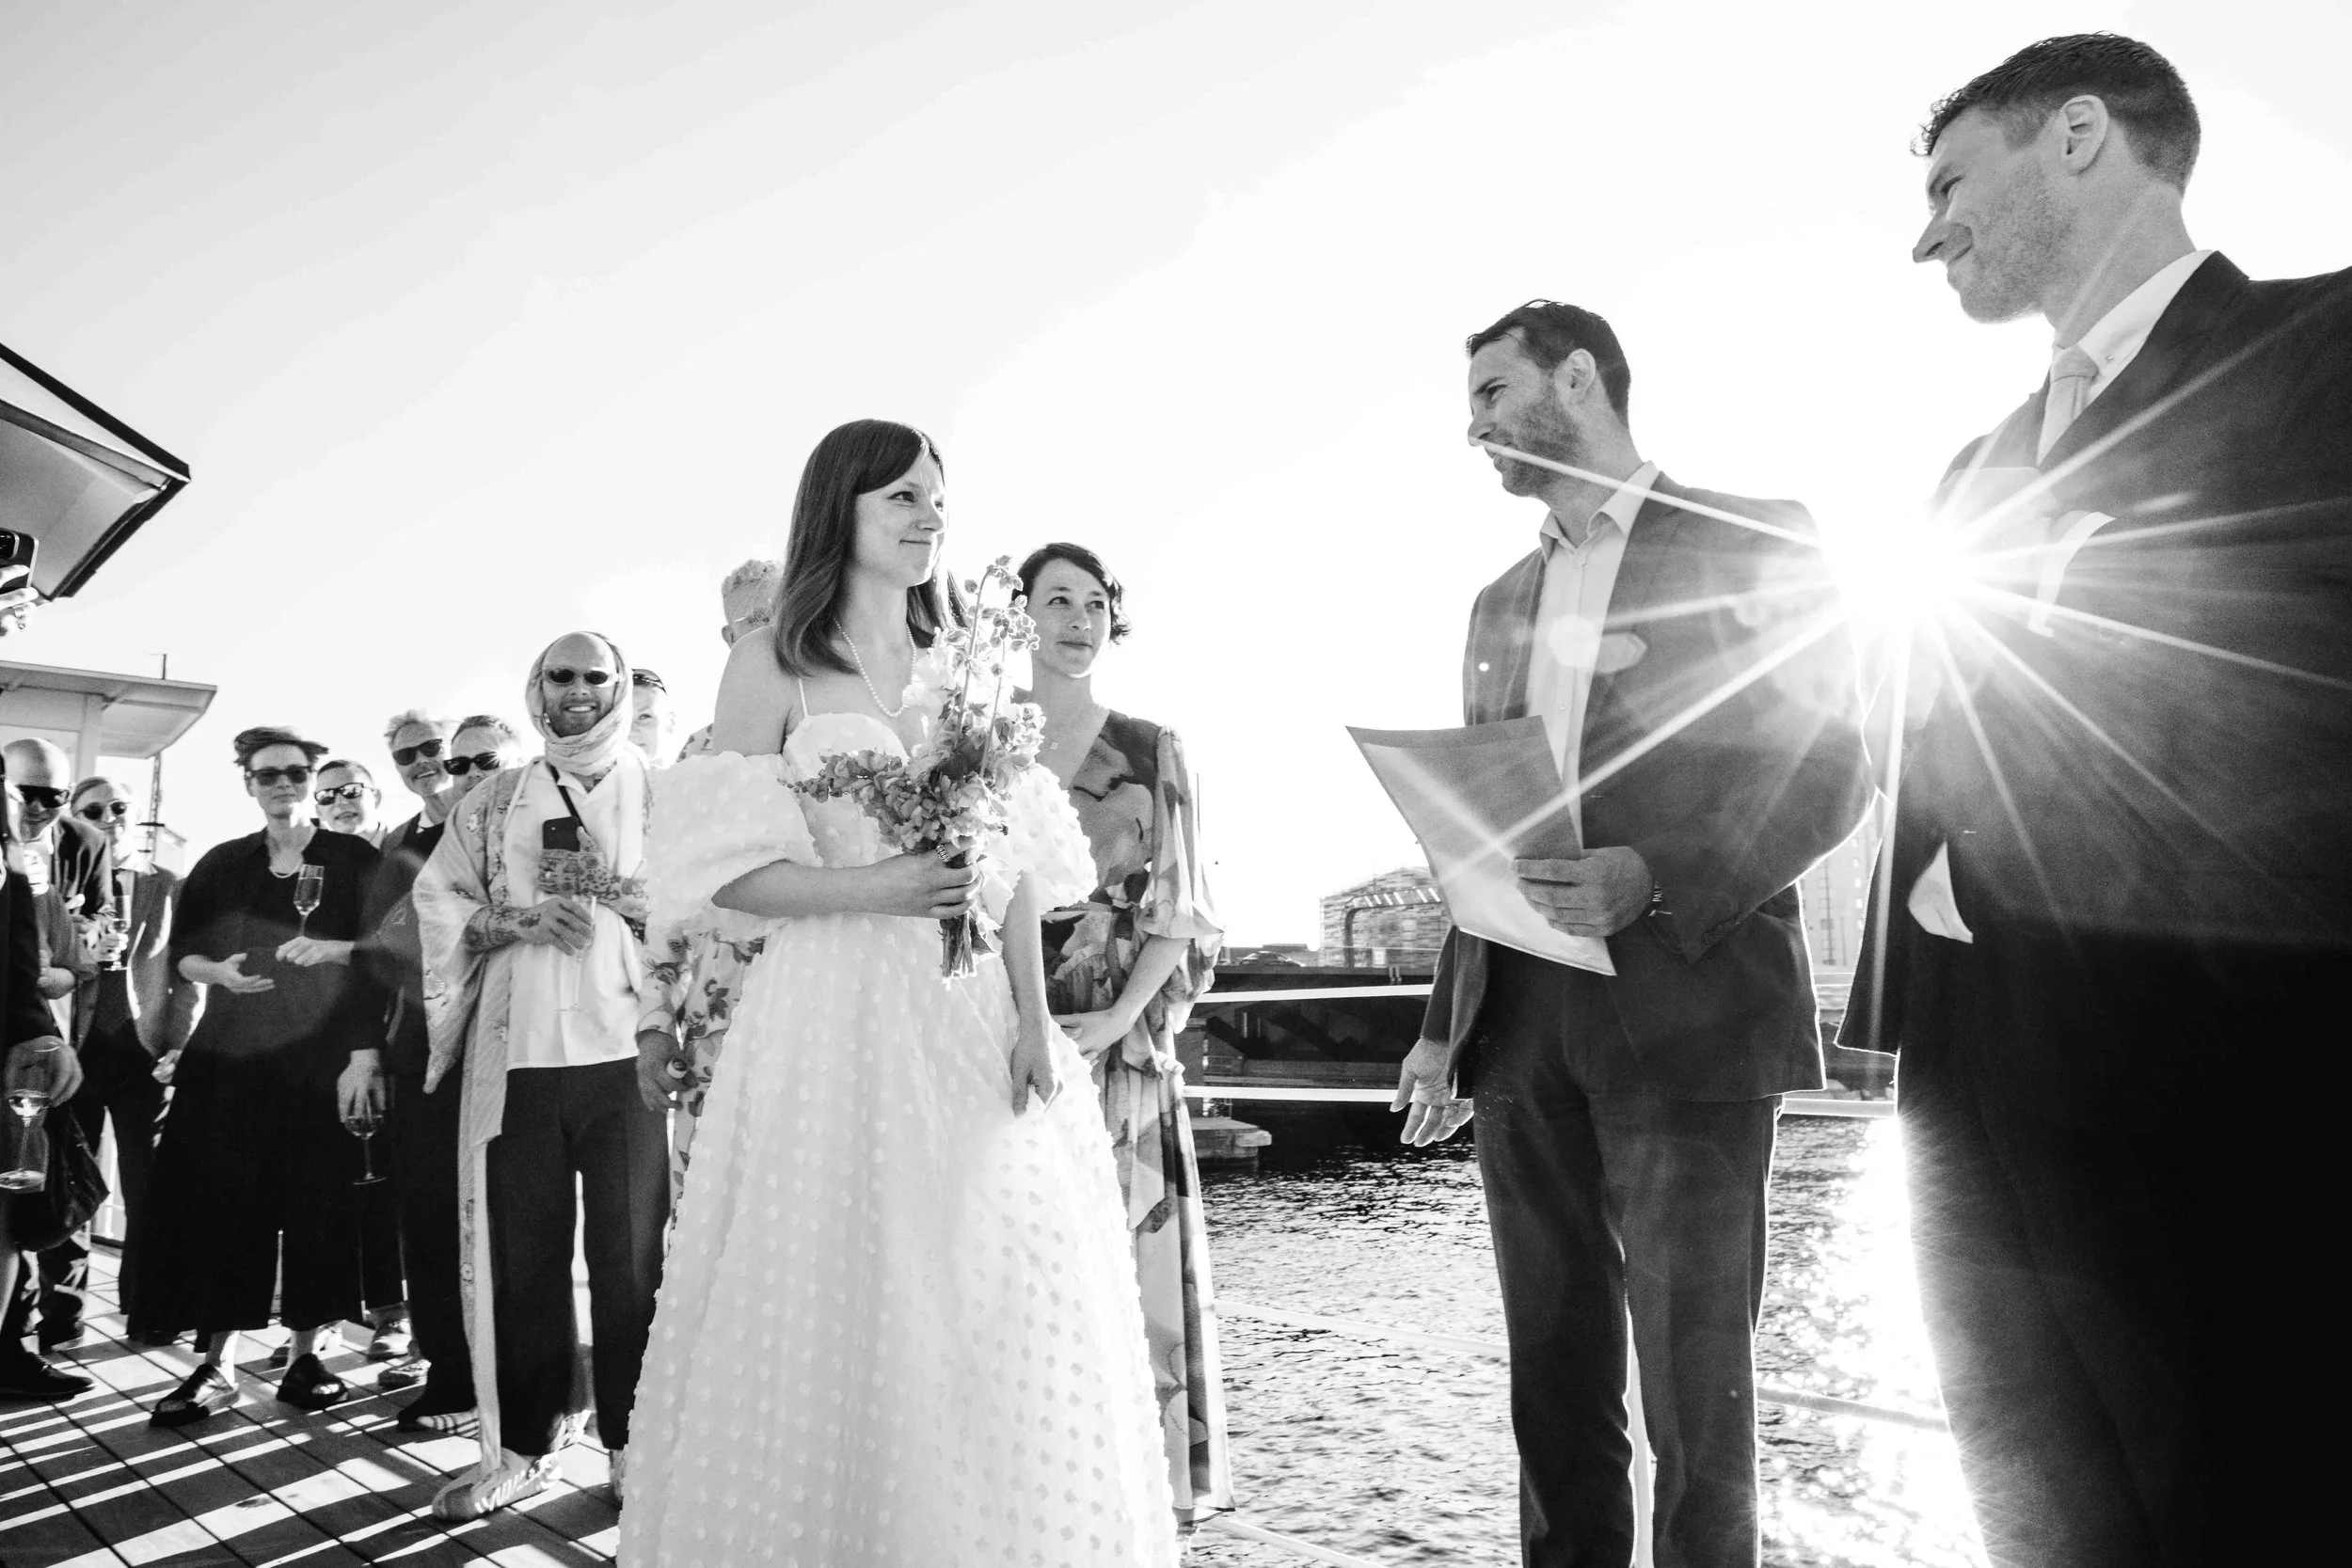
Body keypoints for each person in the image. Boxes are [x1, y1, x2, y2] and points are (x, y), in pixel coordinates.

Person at [1843, 35, 2352, 1568]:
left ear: (2079, 136)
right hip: (1978, 1121)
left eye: (1948, 182)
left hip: (2255, 1102)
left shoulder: (2328, 347)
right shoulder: (1964, 479)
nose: (1927, 231)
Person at [619, 419, 1174, 1565]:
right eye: (904, 499)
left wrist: (1031, 1019)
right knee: (833, 1280)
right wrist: (876, 882)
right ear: (843, 508)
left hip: (966, 1010)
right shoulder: (773, 657)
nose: (929, 519)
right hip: (829, 1009)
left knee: (982, 1278)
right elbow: (722, 873)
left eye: (937, 500)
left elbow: (1013, 860)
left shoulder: (963, 660)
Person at [1392, 302, 1868, 1568]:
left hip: (1692, 1006)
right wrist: (1446, 1031)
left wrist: (1652, 873)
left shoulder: (1755, 539)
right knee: (1549, 1374)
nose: (1475, 427)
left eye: (1494, 393)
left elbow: (1830, 769)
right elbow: (1483, 834)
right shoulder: (1496, 602)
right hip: (1522, 1032)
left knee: (1695, 1383)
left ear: (1583, 379)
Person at [415, 636, 669, 1519]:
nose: (576, 692)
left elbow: (708, 906)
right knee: (522, 1260)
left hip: (632, 1061)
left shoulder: (665, 791)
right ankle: (523, 1443)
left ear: (621, 687)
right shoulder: (495, 800)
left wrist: (618, 896)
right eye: (559, 676)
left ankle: (634, 1444)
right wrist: (520, 917)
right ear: (536, 687)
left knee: (631, 1263)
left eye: (594, 677)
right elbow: (438, 900)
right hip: (519, 1061)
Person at [1016, 541, 1232, 1525]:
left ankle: (1132, 1494)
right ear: (1017, 615)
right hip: (1001, 1026)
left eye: (1094, 602)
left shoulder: (1152, 747)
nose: (1076, 618)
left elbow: (1183, 906)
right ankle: (1028, 1487)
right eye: (1054, 599)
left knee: (1123, 1258)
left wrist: (1113, 1015)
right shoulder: (982, 744)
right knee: (1017, 1260)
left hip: (1122, 1036)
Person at [138, 726, 398, 1425]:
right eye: (267, 775)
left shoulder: (352, 858)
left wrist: (362, 1048)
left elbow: (387, 952)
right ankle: (215, 1363)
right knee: (224, 1202)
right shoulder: (224, 863)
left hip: (324, 1055)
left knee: (320, 1203)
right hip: (233, 1055)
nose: (282, 784)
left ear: (311, 779)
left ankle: (307, 1352)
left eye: (294, 772)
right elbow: (185, 955)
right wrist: (216, 971)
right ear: (248, 784)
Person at [353, 709, 485, 1430]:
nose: (426, 762)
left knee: (510, 1221)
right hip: (421, 1054)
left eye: (437, 748)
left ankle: (522, 1379)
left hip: (506, 1044)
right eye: (408, 755)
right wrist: (367, 1051)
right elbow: (373, 954)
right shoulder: (397, 846)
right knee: (430, 1220)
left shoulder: (510, 821)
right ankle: (450, 1373)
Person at [634, 560, 781, 1194]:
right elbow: (671, 903)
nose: (773, 627)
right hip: (717, 1029)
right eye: (753, 619)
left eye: (784, 607)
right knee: (708, 1216)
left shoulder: (844, 727)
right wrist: (655, 1023)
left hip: (830, 1008)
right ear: (728, 639)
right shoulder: (698, 754)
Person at [44, 778, 198, 1349]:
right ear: (74, 819)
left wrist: (180, 1044)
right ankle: (63, 1317)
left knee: (150, 1187)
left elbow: (185, 975)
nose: (108, 817)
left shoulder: (169, 886)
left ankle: (149, 1305)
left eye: (119, 808)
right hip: (74, 1055)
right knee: (70, 1186)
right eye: (92, 810)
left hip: (144, 1055)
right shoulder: (57, 884)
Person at [0, 760, 90, 1402]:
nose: (37, 806)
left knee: (12, 1210)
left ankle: (11, 1352)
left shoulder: (24, 865)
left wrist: (46, 1022)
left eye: (51, 796)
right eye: (28, 794)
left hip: (14, 1055)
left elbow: (43, 958)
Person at [314, 759, 387, 847]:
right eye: (326, 796)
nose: (339, 803)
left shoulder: (404, 845)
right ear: (319, 811)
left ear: (376, 797)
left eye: (352, 790)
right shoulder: (312, 859)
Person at [627, 668, 675, 762]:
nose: (630, 731)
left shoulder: (697, 774)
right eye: (622, 719)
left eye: (644, 717)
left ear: (671, 722)